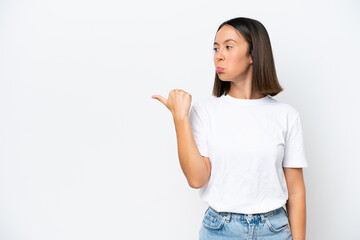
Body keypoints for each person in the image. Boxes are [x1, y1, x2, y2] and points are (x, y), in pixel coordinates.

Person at [152, 17, 308, 240]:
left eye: (228, 46)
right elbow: (197, 179)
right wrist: (180, 119)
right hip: (220, 230)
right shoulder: (204, 112)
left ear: (253, 54)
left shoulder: (286, 116)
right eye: (215, 48)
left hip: (273, 230)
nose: (219, 55)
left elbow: (296, 190)